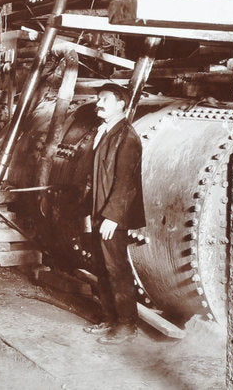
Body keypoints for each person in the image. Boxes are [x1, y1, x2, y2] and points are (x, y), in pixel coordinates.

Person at [82, 82, 145, 345]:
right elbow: (93, 178)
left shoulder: (127, 137)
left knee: (117, 270)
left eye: (105, 98)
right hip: (99, 213)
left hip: (113, 219)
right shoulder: (104, 133)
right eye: (98, 98)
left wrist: (113, 217)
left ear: (121, 103)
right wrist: (88, 212)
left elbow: (126, 183)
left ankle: (127, 325)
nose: (99, 103)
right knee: (102, 268)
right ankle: (110, 317)